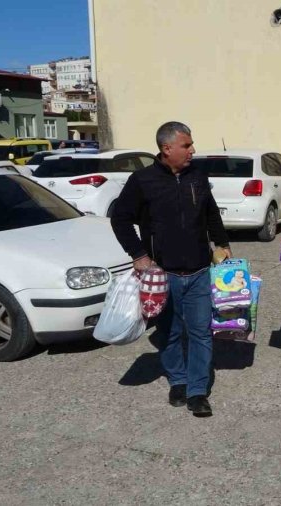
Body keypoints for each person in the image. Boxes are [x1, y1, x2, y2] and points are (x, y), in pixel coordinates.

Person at [111, 121, 231, 418]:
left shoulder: (198, 177)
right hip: (163, 275)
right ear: (167, 149)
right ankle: (178, 380)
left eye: (191, 144)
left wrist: (222, 243)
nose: (192, 150)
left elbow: (211, 213)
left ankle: (197, 391)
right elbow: (120, 219)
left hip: (200, 271)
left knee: (202, 333)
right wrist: (138, 254)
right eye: (187, 145)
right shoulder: (142, 180)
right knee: (171, 332)